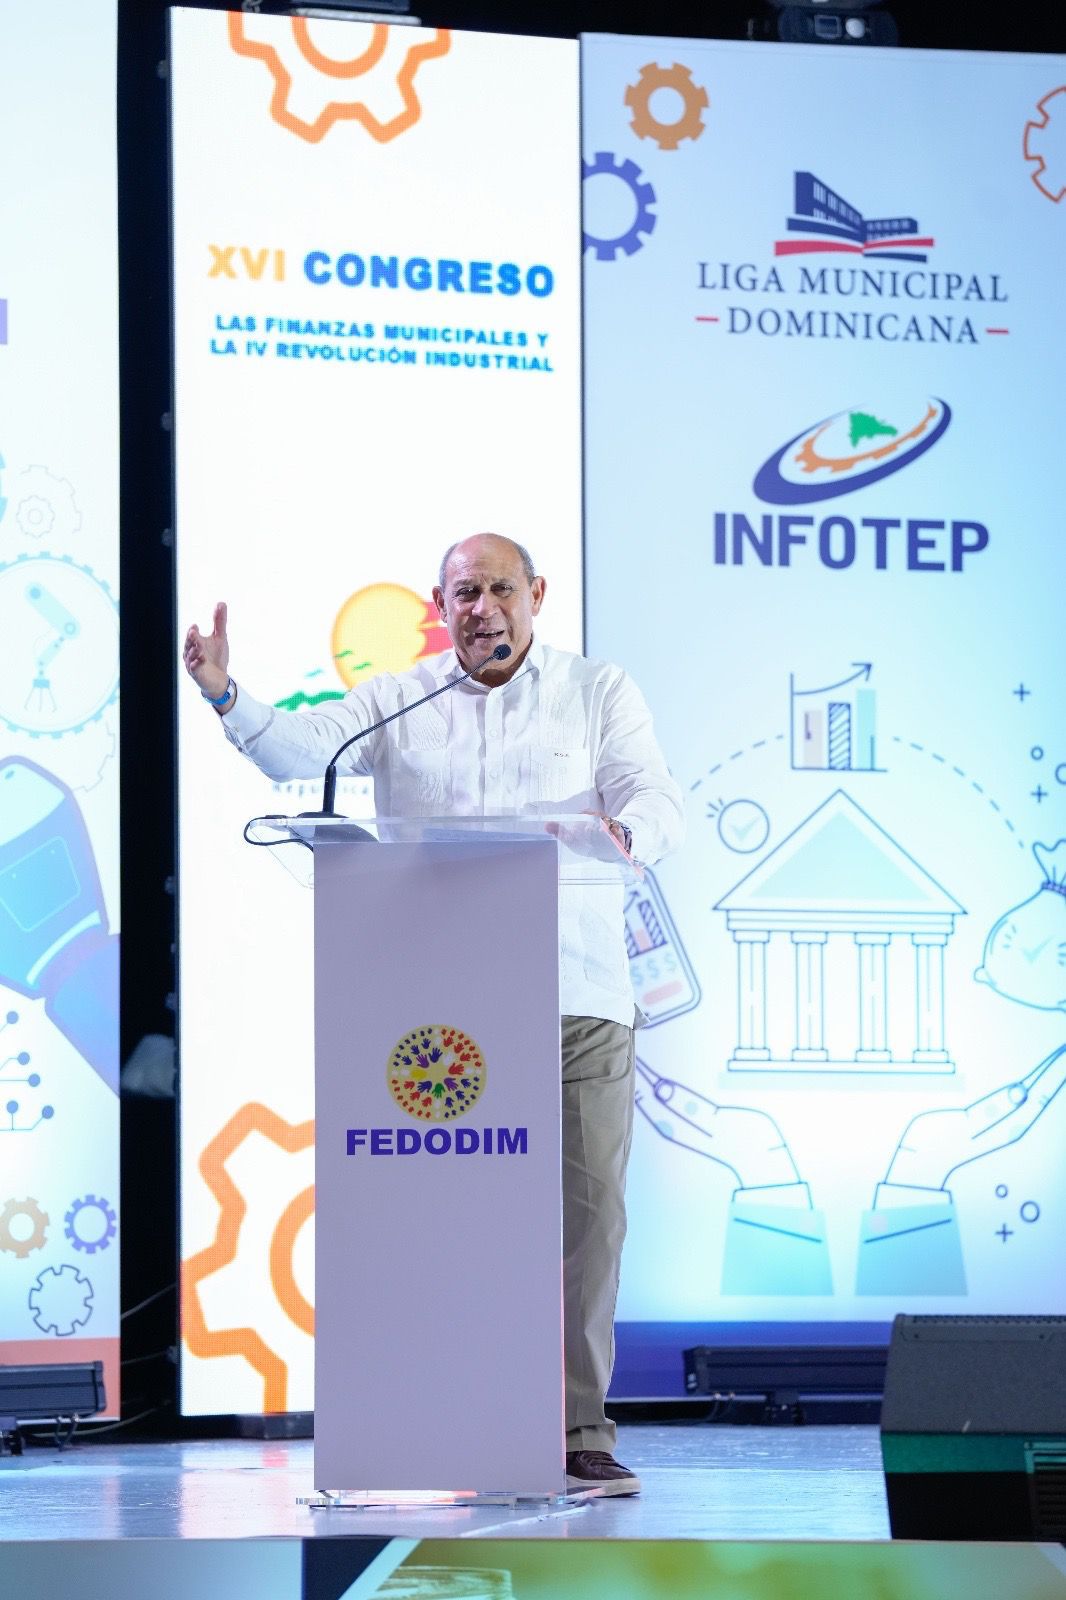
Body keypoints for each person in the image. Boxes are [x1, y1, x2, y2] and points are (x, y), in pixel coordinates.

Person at [183, 533, 684, 1495]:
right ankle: (438, 1416)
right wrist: (224, 694)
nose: (482, 606)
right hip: (442, 1016)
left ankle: (577, 1427)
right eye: (464, 592)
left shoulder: (596, 691)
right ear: (440, 605)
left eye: (500, 588)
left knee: (589, 1219)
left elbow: (653, 792)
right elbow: (304, 751)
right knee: (442, 1216)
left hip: (576, 994)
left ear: (536, 594)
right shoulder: (400, 700)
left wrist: (629, 830)